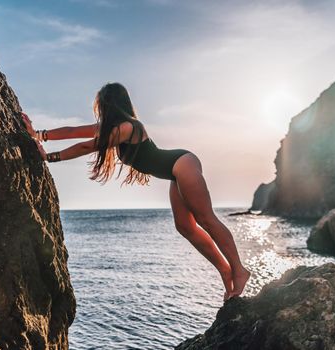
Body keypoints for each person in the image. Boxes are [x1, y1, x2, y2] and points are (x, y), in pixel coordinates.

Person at [21, 82, 250, 301]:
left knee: (206, 219)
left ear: (110, 104)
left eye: (100, 105)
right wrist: (38, 134)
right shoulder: (113, 128)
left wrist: (49, 157)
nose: (99, 110)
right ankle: (225, 271)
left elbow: (87, 146)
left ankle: (238, 270)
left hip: (183, 163)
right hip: (175, 172)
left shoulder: (128, 127)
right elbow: (73, 131)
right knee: (185, 227)